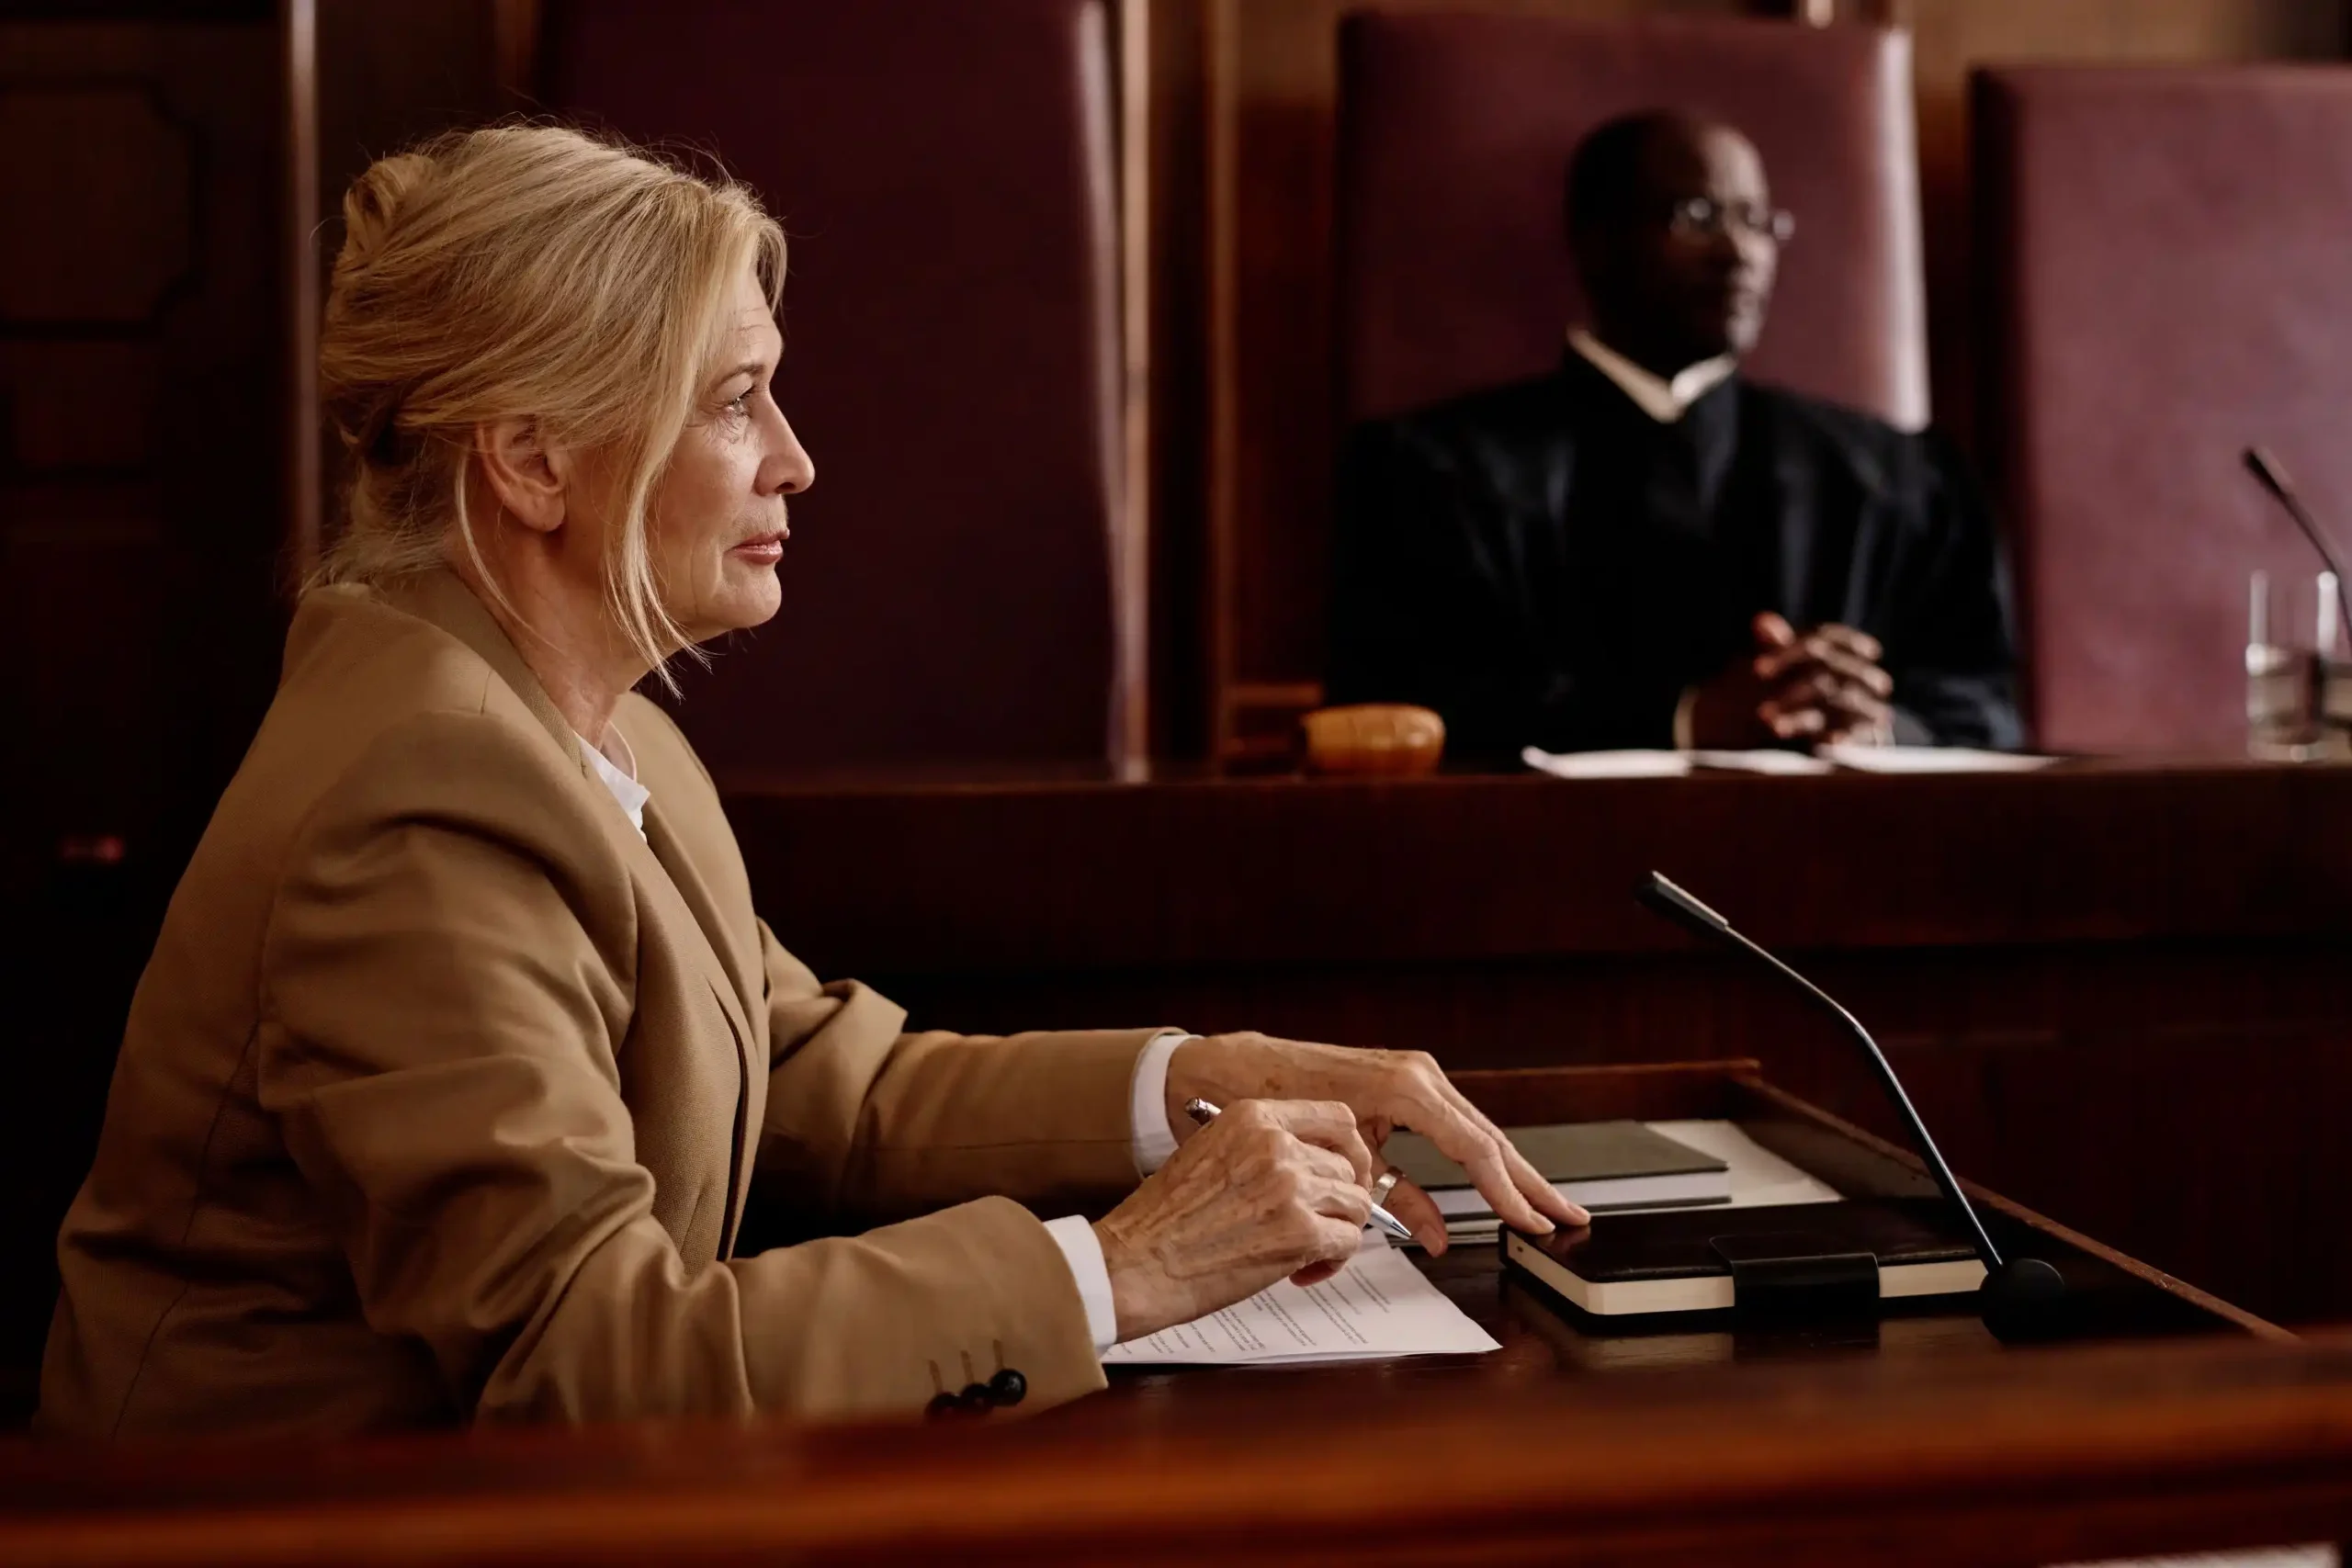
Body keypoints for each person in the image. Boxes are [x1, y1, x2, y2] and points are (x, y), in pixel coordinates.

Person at [40, 126, 1579, 1438]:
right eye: (732, 398)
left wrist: (1215, 1074)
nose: (795, 458)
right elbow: (583, 1359)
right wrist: (1125, 1270)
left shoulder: (572, 711)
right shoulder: (422, 805)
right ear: (528, 458)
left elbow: (820, 1077)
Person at [1326, 110, 2022, 760]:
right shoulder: (1429, 474)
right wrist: (1686, 721)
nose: (1740, 251)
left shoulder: (1893, 476)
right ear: (1595, 240)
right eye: (1699, 216)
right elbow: (1403, 714)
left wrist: (1873, 723)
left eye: (1757, 220)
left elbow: (1986, 709)